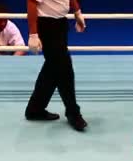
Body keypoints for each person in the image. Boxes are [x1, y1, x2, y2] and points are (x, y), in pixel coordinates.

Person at [25, 0, 88, 131]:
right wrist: (33, 34)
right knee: (65, 69)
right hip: (46, 24)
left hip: (61, 23)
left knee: (52, 69)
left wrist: (77, 12)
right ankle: (73, 113)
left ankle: (35, 109)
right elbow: (31, 3)